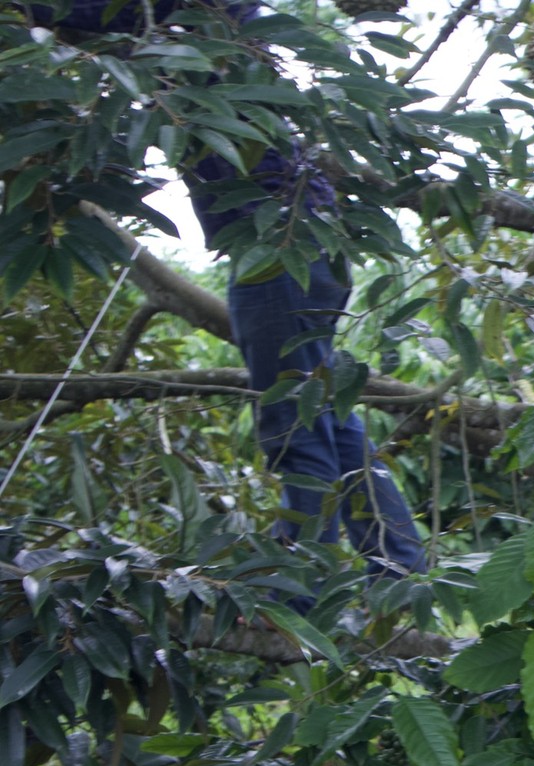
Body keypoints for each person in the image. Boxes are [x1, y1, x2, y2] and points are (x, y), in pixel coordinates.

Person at [26, 0, 428, 575]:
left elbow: (111, 13)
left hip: (278, 252)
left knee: (293, 429)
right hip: (309, 246)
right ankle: (399, 572)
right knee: (331, 421)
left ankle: (295, 588)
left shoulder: (206, 20)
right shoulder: (223, 41)